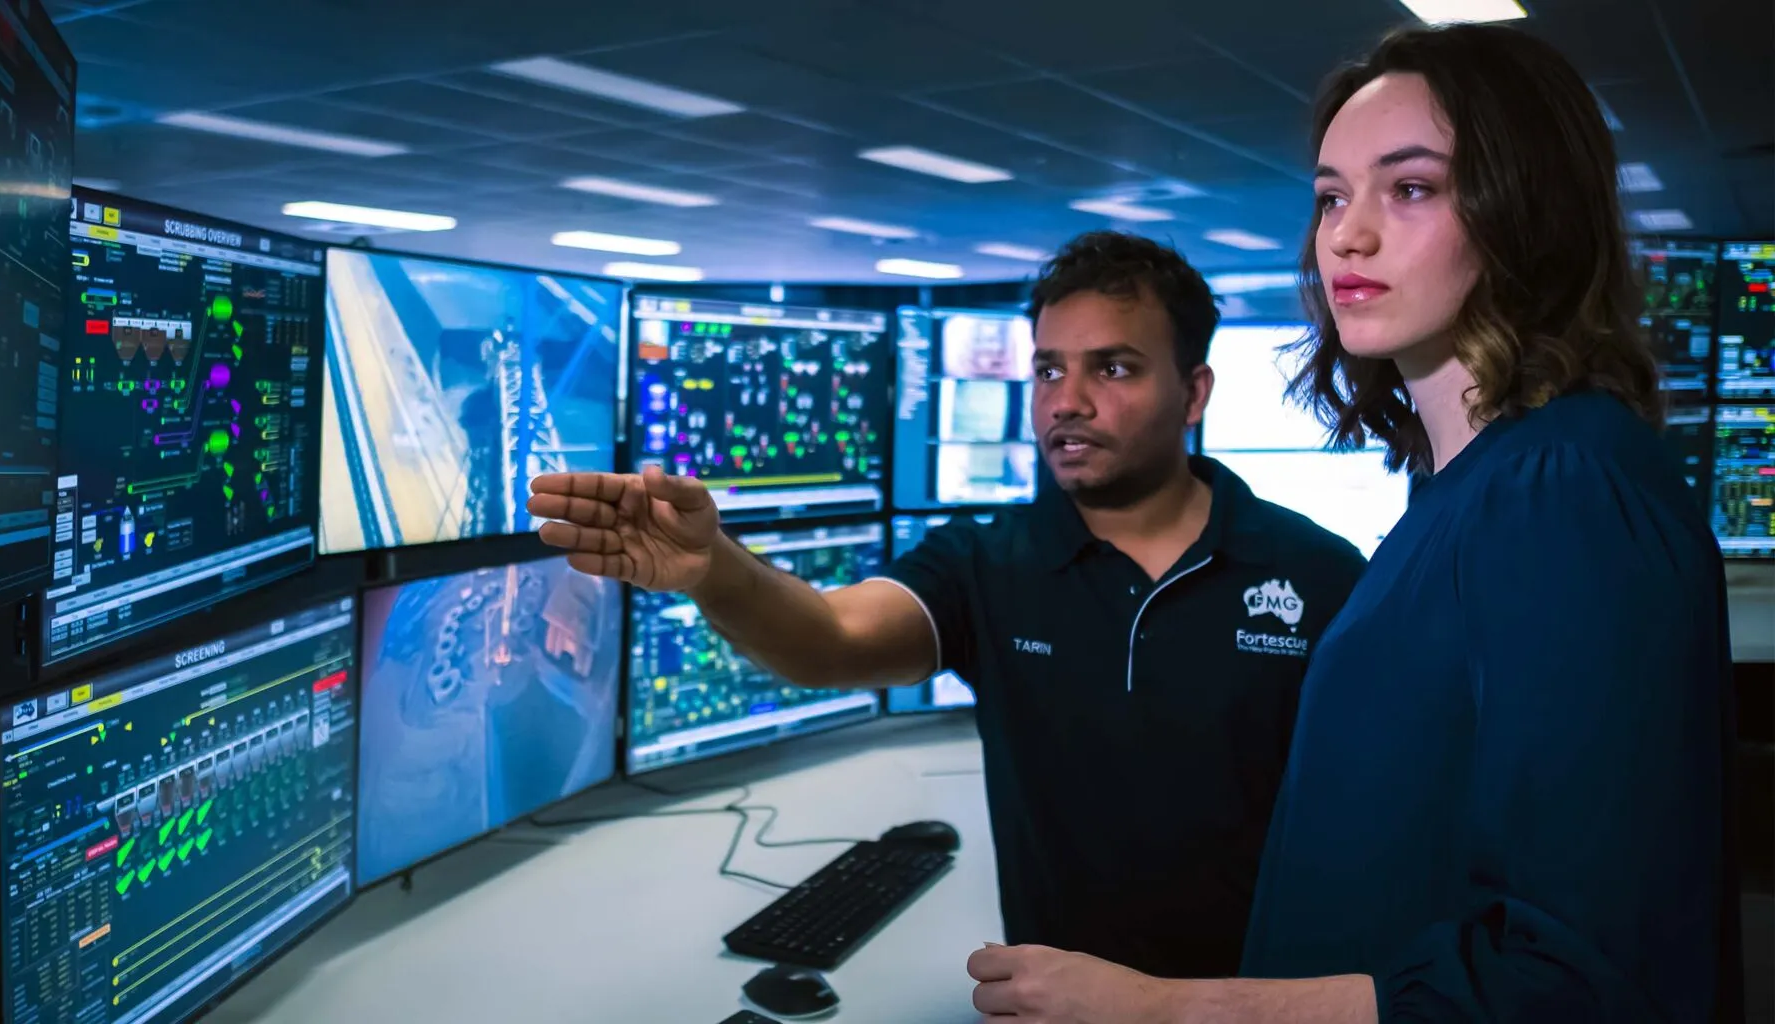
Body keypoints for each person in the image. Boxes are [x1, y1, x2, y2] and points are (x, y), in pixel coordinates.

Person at [965, 22, 1743, 1023]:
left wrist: (1165, 1007)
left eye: (1409, 187)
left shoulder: (1562, 491)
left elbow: (1578, 977)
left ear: (1525, 211)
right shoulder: (1461, 488)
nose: (1343, 233)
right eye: (1330, 195)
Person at [530, 231, 1369, 979]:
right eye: (1047, 368)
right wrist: (715, 570)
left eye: (1112, 368)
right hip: (1058, 1008)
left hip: (1254, 1004)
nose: (1065, 401)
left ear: (1194, 393)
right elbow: (828, 639)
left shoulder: (1315, 572)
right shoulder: (987, 561)